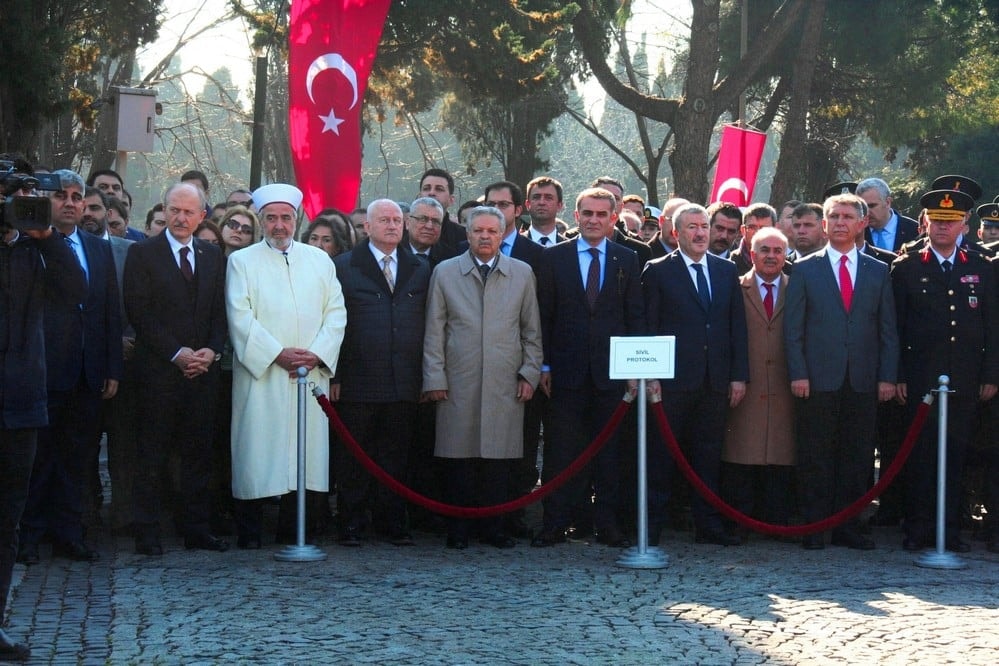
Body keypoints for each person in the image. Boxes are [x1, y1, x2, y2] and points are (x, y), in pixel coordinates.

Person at [226, 183, 346, 548]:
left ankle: (295, 531)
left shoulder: (320, 261)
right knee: (257, 450)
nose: (279, 225)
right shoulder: (241, 262)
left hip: (308, 375)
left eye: (286, 218)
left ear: (297, 220)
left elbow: (336, 313)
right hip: (263, 375)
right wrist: (277, 354)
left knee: (304, 456)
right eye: (271, 218)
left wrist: (316, 354)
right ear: (260, 220)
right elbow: (240, 317)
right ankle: (250, 532)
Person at [0, 167, 87, 662]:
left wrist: (45, 235)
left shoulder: (37, 249)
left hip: (21, 402)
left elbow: (76, 288)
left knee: (7, 521)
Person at [18, 169, 123, 566]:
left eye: (76, 197)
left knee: (77, 460)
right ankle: (28, 537)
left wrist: (112, 366)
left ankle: (69, 534)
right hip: (42, 372)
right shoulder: (28, 245)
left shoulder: (97, 248)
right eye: (60, 196)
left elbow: (109, 310)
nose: (69, 203)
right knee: (38, 460)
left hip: (88, 372)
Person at [784, 193, 899, 550]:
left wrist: (887, 376)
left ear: (862, 223)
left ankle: (848, 526)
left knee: (857, 456)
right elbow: (793, 329)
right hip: (817, 379)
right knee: (815, 454)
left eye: (847, 217)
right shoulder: (805, 269)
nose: (839, 223)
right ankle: (815, 526)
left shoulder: (878, 270)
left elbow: (887, 329)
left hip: (863, 379)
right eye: (833, 216)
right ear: (824, 224)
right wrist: (798, 373)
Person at [423, 205, 542, 550]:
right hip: (457, 380)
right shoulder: (445, 272)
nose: (485, 237)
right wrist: (434, 378)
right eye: (478, 231)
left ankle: (494, 528)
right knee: (457, 458)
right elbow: (434, 331)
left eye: (492, 231)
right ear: (468, 234)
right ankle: (458, 529)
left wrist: (529, 374)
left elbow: (531, 332)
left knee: (498, 459)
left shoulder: (521, 273)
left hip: (505, 380)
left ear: (503, 234)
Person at [532, 187, 645, 549]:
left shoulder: (627, 259)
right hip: (565, 372)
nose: (594, 220)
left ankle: (607, 525)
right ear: (576, 216)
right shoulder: (554, 257)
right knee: (561, 452)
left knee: (610, 455)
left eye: (601, 214)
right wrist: (544, 364)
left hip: (612, 375)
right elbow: (544, 315)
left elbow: (634, 317)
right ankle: (555, 523)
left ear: (614, 218)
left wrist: (633, 370)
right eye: (588, 214)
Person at [123, 182, 229, 556]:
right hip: (158, 373)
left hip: (203, 374)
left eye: (188, 212)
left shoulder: (212, 256)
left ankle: (196, 529)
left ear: (202, 216)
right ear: (164, 210)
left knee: (199, 455)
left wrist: (211, 350)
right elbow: (139, 312)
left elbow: (220, 311)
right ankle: (148, 532)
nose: (181, 218)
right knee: (152, 455)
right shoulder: (142, 253)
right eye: (174, 210)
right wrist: (176, 353)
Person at [890, 189, 998, 553]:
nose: (942, 228)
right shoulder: (907, 267)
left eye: (950, 222)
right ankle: (918, 528)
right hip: (920, 377)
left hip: (965, 377)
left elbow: (991, 326)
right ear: (926, 223)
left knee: (956, 455)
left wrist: (990, 375)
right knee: (921, 455)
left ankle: (949, 530)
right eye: (937, 221)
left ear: (964, 225)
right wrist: (898, 374)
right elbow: (895, 328)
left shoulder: (980, 266)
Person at [643, 202, 749, 546]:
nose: (701, 233)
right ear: (677, 233)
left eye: (705, 226)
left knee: (708, 457)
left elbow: (736, 325)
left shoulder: (725, 270)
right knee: (661, 456)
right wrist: (651, 375)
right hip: (671, 383)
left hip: (714, 381)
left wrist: (738, 375)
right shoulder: (658, 270)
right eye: (692, 227)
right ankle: (651, 527)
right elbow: (648, 326)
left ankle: (708, 526)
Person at [331, 199, 431, 546]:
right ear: (367, 226)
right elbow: (334, 324)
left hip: (404, 380)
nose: (392, 225)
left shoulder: (420, 268)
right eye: (384, 220)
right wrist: (335, 375)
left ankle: (391, 522)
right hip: (358, 380)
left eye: (397, 220)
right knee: (354, 457)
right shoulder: (344, 266)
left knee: (395, 456)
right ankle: (352, 523)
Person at [721, 227, 795, 530]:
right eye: (765, 250)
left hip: (785, 386)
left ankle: (776, 521)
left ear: (786, 256)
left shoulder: (798, 288)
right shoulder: (735, 288)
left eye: (778, 251)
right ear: (752, 254)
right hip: (746, 386)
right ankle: (740, 521)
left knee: (781, 454)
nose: (771, 256)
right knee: (742, 452)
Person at [856, 178, 919, 253]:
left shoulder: (914, 229)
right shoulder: (856, 233)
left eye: (872, 206)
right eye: (863, 208)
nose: (867, 212)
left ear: (888, 202)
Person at [418, 168, 465, 252]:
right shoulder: (403, 233)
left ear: (451, 200)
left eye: (439, 189)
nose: (431, 193)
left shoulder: (463, 237)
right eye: (426, 188)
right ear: (419, 197)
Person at [729, 203, 777, 275]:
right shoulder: (728, 265)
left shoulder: (786, 269)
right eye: (752, 227)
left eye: (764, 228)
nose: (757, 232)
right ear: (743, 230)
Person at [524, 176, 566, 247]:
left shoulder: (571, 249)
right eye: (536, 197)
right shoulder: (515, 246)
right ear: (528, 204)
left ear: (559, 205)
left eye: (548, 198)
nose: (542, 202)